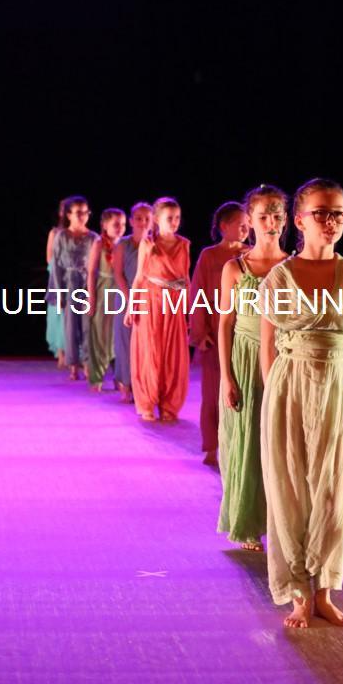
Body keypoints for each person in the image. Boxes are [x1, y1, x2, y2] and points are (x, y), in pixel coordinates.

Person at [260, 178, 343, 628]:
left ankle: (325, 588)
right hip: (290, 384)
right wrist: (273, 397)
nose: (331, 221)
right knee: (289, 485)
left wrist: (342, 376)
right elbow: (268, 345)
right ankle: (296, 591)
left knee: (333, 486)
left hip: (336, 387)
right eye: (322, 213)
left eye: (338, 213)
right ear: (299, 220)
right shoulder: (281, 277)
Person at [217, 184, 289, 550]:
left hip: (285, 359)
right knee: (247, 442)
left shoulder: (294, 267)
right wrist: (227, 376)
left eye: (277, 216)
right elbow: (225, 323)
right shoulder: (235, 268)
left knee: (282, 444)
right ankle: (248, 523)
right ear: (251, 220)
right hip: (245, 360)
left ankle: (284, 521)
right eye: (263, 217)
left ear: (287, 220)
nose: (271, 223)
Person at [189, 202, 249, 466]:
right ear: (224, 226)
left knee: (244, 389)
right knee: (213, 391)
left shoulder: (251, 254)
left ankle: (239, 445)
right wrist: (200, 332)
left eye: (248, 224)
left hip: (244, 329)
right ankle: (212, 446)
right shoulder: (209, 255)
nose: (246, 229)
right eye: (240, 224)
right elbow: (198, 294)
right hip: (215, 329)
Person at [125, 197, 190, 422]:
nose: (174, 222)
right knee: (150, 351)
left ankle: (169, 405)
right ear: (157, 219)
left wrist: (191, 308)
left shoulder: (184, 244)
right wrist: (131, 306)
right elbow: (139, 277)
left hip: (174, 303)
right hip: (151, 300)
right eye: (169, 218)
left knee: (172, 354)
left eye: (177, 218)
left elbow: (186, 278)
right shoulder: (148, 243)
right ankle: (147, 404)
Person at [52, 196, 97, 380]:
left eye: (85, 212)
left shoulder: (93, 237)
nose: (82, 216)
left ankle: (87, 362)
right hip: (69, 282)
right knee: (70, 326)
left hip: (87, 283)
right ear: (69, 214)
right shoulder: (62, 236)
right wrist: (59, 292)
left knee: (88, 325)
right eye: (78, 213)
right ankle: (72, 365)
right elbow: (56, 265)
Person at [113, 202, 153, 402]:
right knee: (124, 343)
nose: (143, 222)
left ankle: (143, 387)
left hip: (148, 299)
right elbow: (118, 273)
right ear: (131, 221)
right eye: (138, 218)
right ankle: (125, 384)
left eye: (147, 219)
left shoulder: (154, 244)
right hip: (125, 296)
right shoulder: (123, 244)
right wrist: (130, 298)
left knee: (146, 344)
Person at [86, 208, 126, 390]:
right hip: (103, 293)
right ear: (104, 225)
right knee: (100, 336)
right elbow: (91, 272)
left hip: (120, 293)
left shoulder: (125, 244)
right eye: (116, 224)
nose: (120, 228)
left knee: (118, 337)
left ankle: (120, 377)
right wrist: (91, 299)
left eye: (123, 224)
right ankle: (97, 378)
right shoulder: (99, 244)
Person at [45, 199, 67, 367]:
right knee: (58, 314)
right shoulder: (55, 233)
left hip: (76, 277)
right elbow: (49, 258)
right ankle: (61, 353)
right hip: (58, 277)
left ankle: (76, 353)